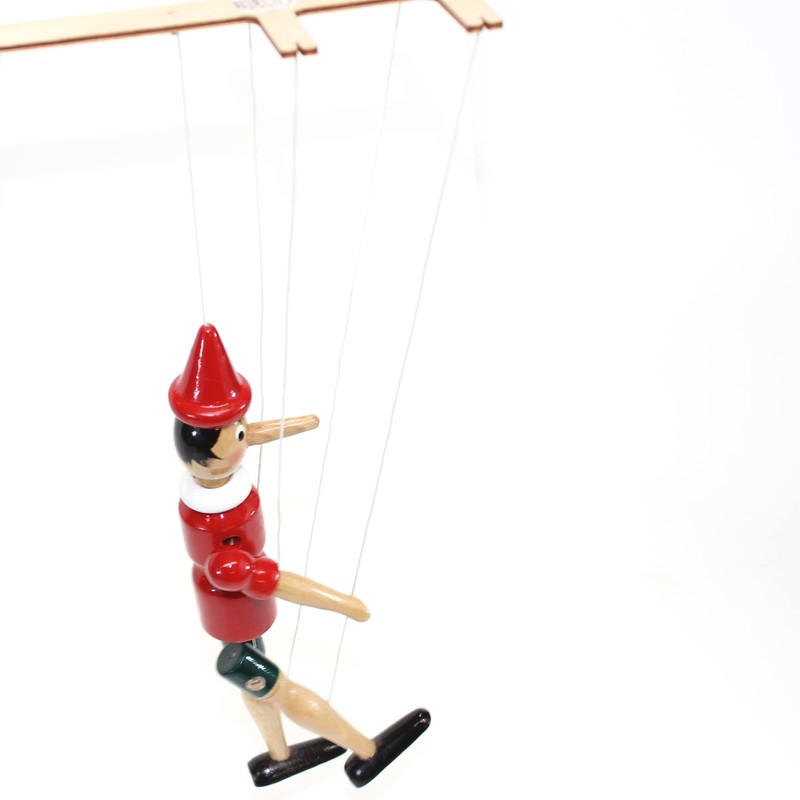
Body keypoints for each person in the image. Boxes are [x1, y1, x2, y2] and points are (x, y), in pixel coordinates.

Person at [170, 323, 429, 787]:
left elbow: (243, 436)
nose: (248, 435)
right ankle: (366, 752)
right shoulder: (222, 551)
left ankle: (279, 755)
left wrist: (297, 425)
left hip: (239, 632)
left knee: (256, 688)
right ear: (208, 454)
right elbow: (275, 582)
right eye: (237, 434)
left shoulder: (203, 498)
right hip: (238, 631)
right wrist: (344, 603)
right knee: (281, 691)